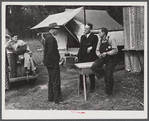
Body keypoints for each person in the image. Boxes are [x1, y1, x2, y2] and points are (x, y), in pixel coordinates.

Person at [91, 27, 118, 96]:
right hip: (103, 58)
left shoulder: (111, 39)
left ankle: (109, 92)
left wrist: (107, 53)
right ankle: (104, 75)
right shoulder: (100, 41)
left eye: (99, 32)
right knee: (94, 66)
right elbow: (97, 50)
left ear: (103, 33)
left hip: (112, 59)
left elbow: (115, 50)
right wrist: (99, 54)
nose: (98, 33)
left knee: (108, 75)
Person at [76, 23, 98, 93]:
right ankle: (82, 87)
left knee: (91, 73)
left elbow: (96, 46)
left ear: (90, 30)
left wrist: (91, 47)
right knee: (82, 73)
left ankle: (92, 87)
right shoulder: (82, 37)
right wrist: (77, 56)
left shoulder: (94, 37)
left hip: (90, 57)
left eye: (87, 28)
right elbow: (81, 48)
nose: (85, 30)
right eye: (84, 28)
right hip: (82, 57)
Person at [43, 25, 63, 104]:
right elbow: (51, 52)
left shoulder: (47, 37)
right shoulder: (51, 39)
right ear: (51, 29)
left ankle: (51, 97)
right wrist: (57, 60)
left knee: (51, 80)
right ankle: (57, 99)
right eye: (56, 29)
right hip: (52, 63)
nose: (58, 31)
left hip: (49, 62)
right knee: (56, 80)